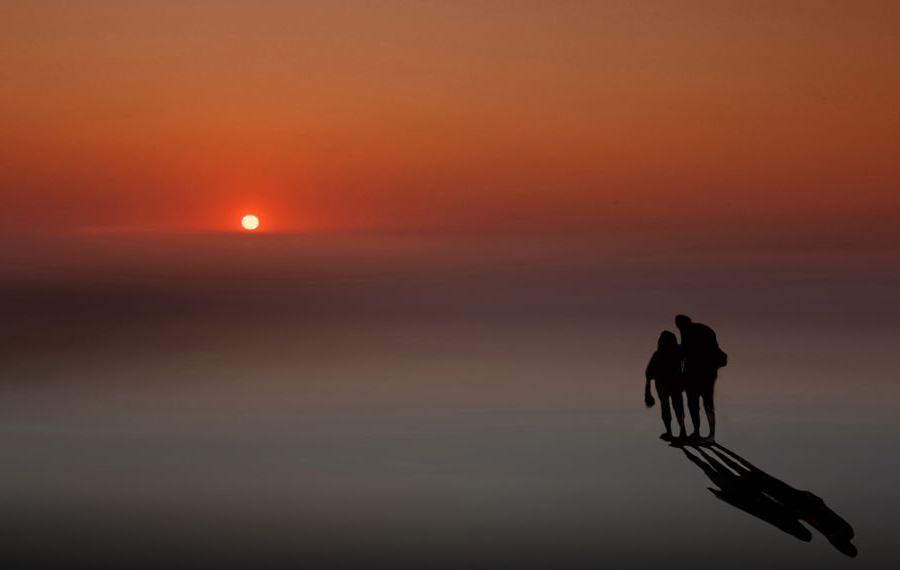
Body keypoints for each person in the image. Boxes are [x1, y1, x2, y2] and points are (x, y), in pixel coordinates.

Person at [675, 314, 727, 441]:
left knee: (694, 403)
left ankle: (699, 433)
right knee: (706, 403)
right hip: (707, 372)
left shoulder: (688, 331)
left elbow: (685, 352)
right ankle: (710, 434)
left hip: (697, 372)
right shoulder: (704, 329)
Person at [644, 330, 686, 441]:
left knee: (666, 407)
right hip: (673, 384)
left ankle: (671, 432)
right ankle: (682, 431)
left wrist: (648, 387)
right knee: (677, 407)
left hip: (663, 385)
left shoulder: (659, 354)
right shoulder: (677, 352)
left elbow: (649, 372)